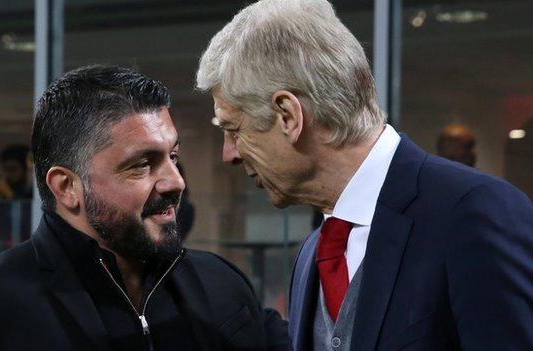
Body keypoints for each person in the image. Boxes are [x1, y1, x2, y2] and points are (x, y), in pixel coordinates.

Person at [196, 1, 533, 350]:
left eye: (234, 130)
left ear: (288, 116)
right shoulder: (311, 255)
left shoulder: (474, 212)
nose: (229, 154)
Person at [0, 65, 288, 351]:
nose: (175, 181)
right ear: (67, 188)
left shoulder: (221, 284)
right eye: (142, 165)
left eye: (173, 157)